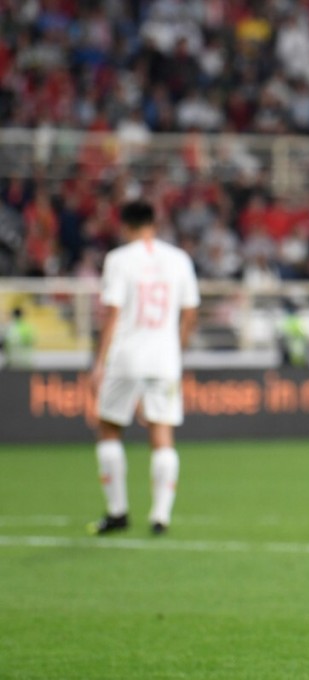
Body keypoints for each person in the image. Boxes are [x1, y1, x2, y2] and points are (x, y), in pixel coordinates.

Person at [88, 200, 200, 535]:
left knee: (109, 428)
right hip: (165, 358)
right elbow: (190, 312)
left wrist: (99, 362)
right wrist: (175, 350)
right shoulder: (179, 259)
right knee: (162, 433)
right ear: (154, 222)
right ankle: (160, 516)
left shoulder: (119, 259)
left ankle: (118, 511)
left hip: (126, 356)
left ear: (125, 226)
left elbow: (112, 312)